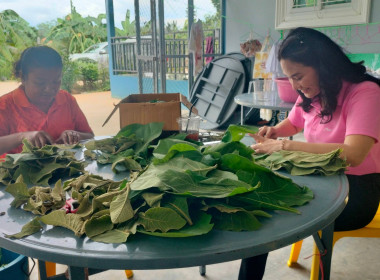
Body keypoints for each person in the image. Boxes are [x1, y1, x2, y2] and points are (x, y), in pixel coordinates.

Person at [239, 27, 380, 280]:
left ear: (324, 67)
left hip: (356, 191)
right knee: (258, 203)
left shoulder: (365, 93)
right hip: (319, 176)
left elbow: (354, 154)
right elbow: (294, 124)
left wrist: (285, 146)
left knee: (265, 216)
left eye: (298, 76)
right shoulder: (313, 91)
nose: (294, 85)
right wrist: (275, 132)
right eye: (289, 77)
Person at [0, 45, 94, 155]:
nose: (49, 89)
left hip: (65, 169)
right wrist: (22, 137)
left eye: (56, 81)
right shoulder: (4, 106)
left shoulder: (67, 100)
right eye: (40, 83)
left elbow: (89, 136)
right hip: (18, 171)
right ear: (23, 78)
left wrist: (75, 135)